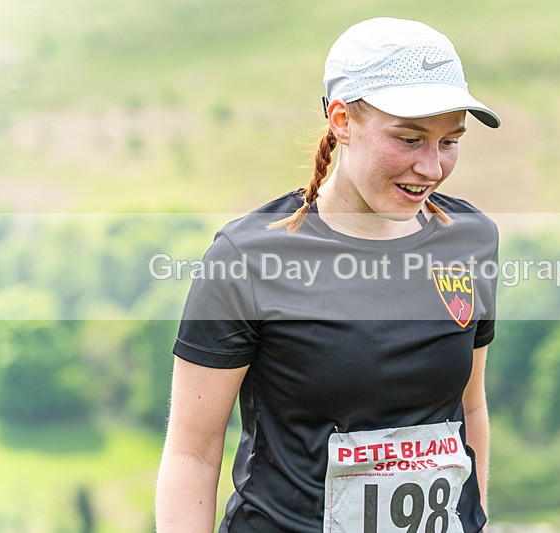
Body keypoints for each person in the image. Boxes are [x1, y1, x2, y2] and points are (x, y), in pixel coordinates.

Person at [156, 17, 501, 533]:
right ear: (342, 120)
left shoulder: (471, 238)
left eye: (450, 141)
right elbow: (192, 453)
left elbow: (468, 407)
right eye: (410, 139)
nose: (432, 167)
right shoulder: (246, 257)